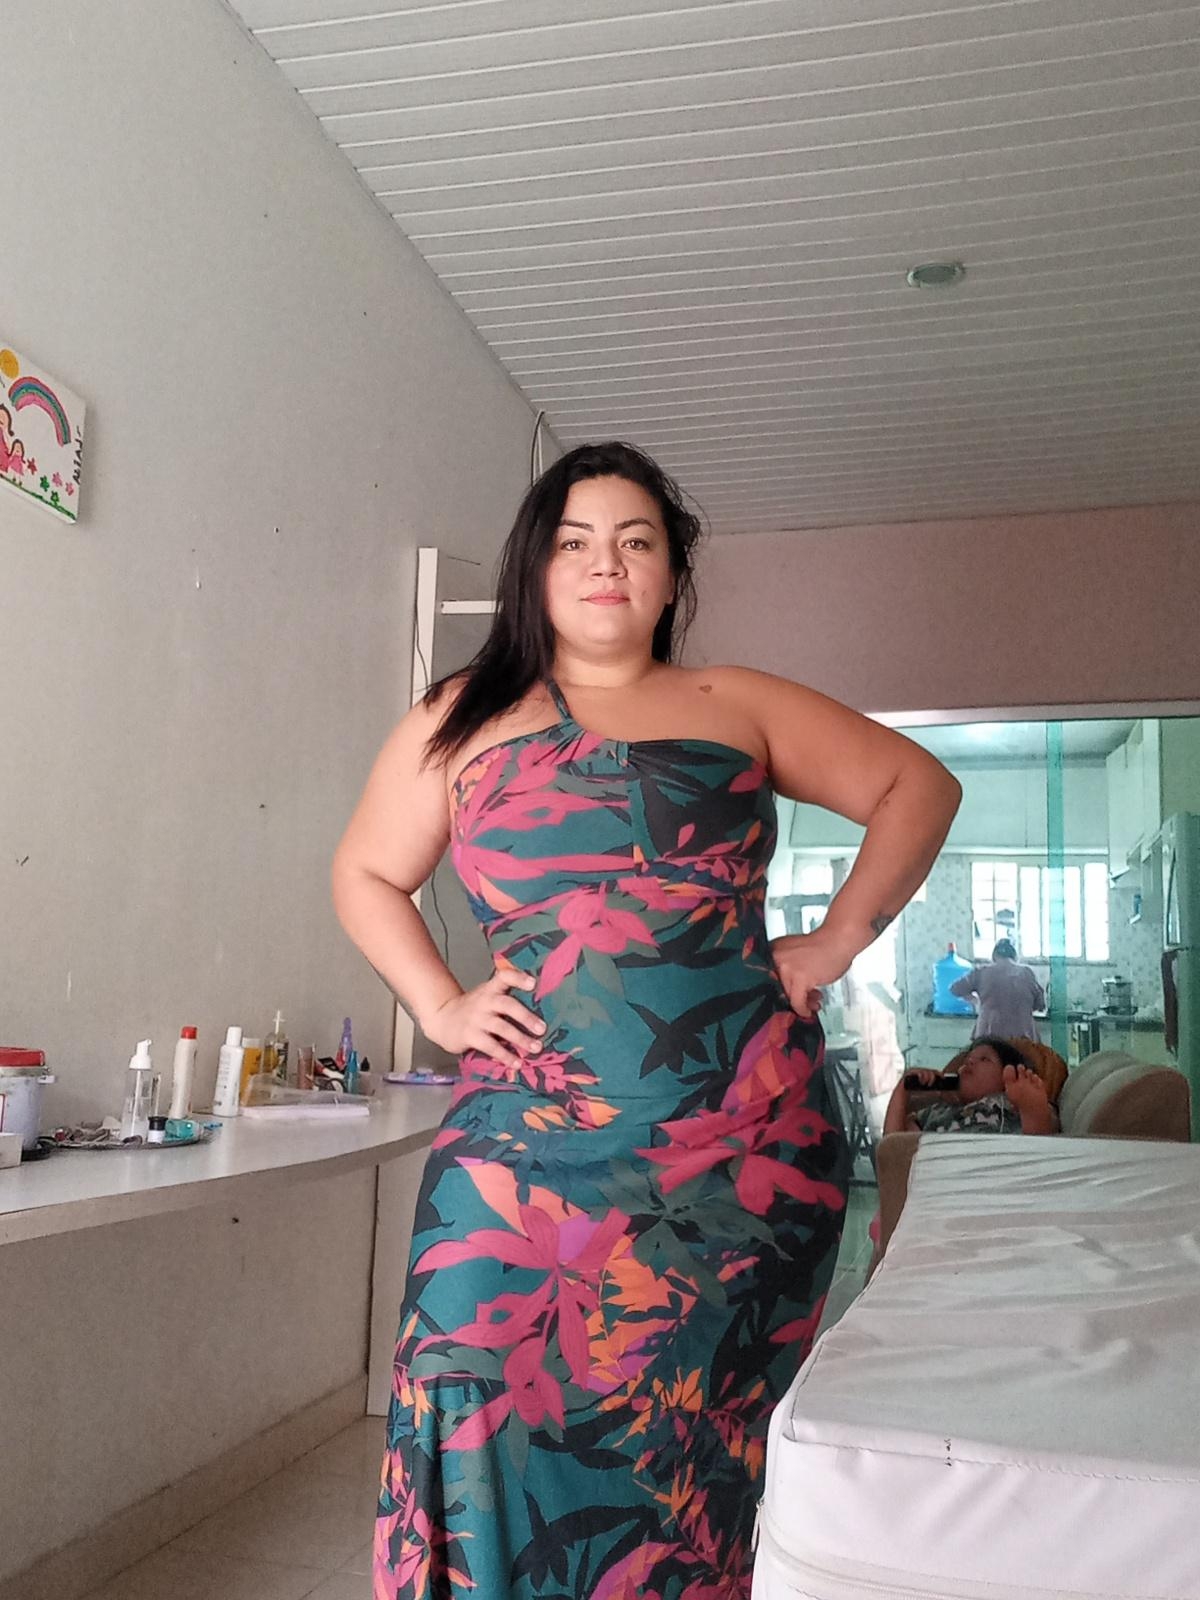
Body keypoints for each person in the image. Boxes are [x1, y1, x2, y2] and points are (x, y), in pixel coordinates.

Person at [332, 441, 961, 1600]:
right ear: (536, 569)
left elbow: (917, 785)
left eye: (636, 542)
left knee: (694, 1443)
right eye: (575, 542)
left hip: (738, 1153)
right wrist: (441, 1002)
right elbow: (366, 872)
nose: (605, 563)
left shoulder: (736, 703)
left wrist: (834, 941)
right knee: (470, 1377)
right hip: (520, 1152)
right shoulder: (461, 716)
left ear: (672, 574)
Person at [883, 1036, 1056, 1136]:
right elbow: (894, 1146)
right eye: (966, 1060)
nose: (969, 1062)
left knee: (1038, 1129)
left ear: (1007, 1078)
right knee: (900, 1143)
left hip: (999, 1158)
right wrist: (903, 1091)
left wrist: (1031, 1109)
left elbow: (1055, 1123)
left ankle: (1035, 1125)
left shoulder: (1010, 1102)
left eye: (984, 1059)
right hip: (941, 1166)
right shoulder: (938, 1109)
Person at [950, 938, 1047, 1041]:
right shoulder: (1026, 973)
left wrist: (975, 1000)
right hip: (1022, 1036)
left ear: (994, 956)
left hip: (988, 1035)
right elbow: (1040, 1004)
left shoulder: (982, 972)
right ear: (1015, 956)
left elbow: (955, 989)